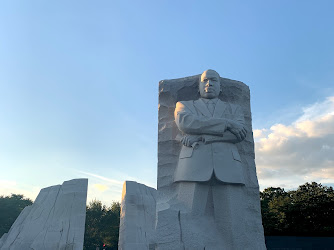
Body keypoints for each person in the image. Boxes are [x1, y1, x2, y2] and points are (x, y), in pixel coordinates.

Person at [173, 69, 248, 245]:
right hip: (193, 166)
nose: (209, 84)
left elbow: (239, 135)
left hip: (229, 167)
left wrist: (204, 137)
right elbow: (187, 124)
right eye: (205, 81)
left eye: (214, 81)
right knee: (188, 216)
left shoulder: (234, 109)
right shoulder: (184, 105)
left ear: (221, 87)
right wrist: (227, 123)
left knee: (233, 221)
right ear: (199, 86)